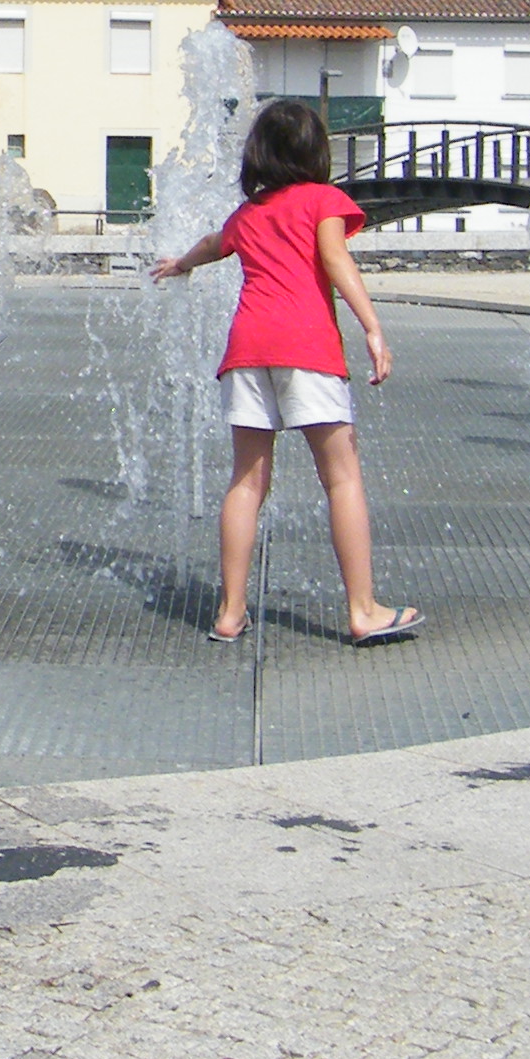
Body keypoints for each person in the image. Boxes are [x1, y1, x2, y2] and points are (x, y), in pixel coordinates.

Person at [150, 96, 418, 648]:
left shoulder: (249, 214)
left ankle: (230, 612)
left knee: (246, 482)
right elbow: (336, 259)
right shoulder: (323, 200)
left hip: (247, 351)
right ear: (316, 152)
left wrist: (180, 263)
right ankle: (364, 610)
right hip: (307, 348)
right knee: (341, 477)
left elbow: (213, 245)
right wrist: (372, 327)